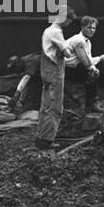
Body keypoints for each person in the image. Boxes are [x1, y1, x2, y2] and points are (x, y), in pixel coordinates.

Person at [34, 10, 76, 149]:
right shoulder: (56, 32)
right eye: (69, 21)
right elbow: (67, 53)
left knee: (45, 106)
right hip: (54, 73)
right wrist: (73, 47)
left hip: (46, 72)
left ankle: (40, 138)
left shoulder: (47, 30)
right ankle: (46, 142)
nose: (69, 24)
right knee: (55, 108)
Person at [63, 15, 104, 110]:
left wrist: (94, 68)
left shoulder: (87, 41)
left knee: (92, 72)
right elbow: (87, 63)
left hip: (69, 68)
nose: (92, 30)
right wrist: (100, 59)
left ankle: (90, 103)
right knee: (91, 74)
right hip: (61, 69)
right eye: (89, 27)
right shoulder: (79, 41)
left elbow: (88, 60)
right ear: (82, 27)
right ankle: (92, 104)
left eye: (93, 28)